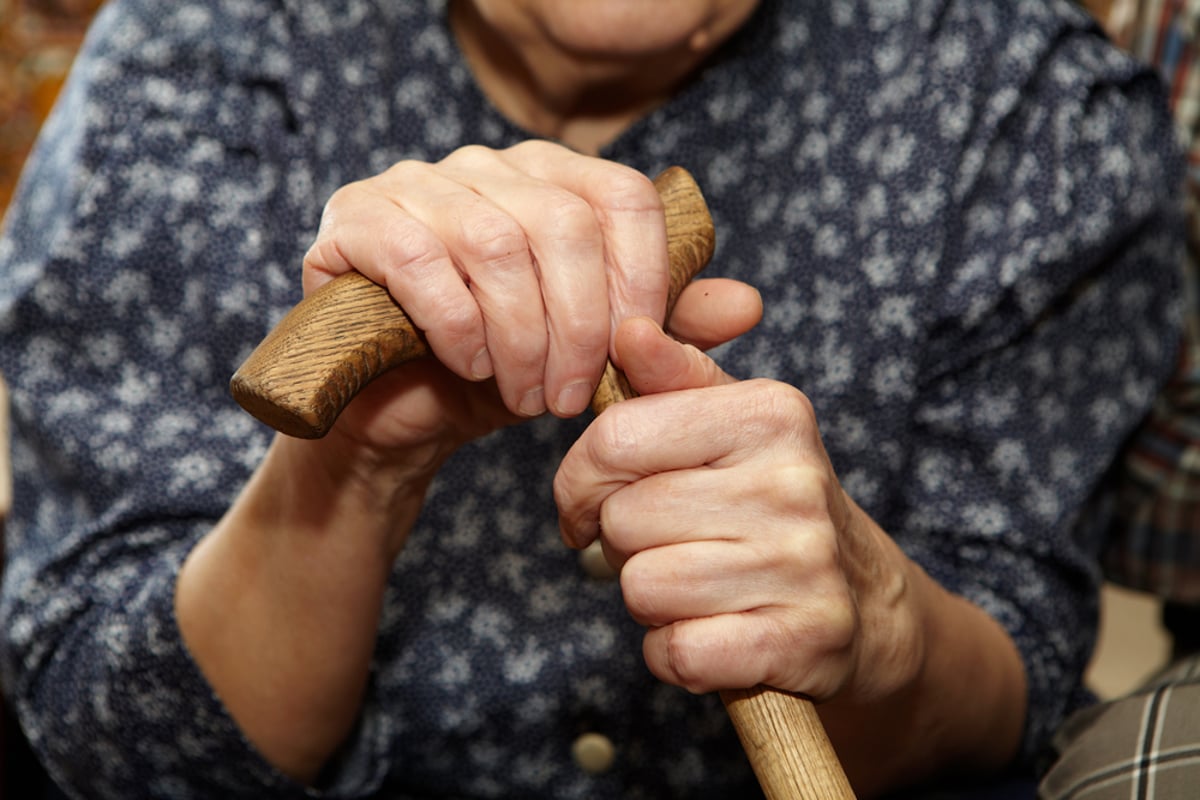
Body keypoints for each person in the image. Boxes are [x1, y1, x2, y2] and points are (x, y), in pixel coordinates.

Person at [0, 0, 1185, 797]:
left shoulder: (1019, 99)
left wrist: (881, 626)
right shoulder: (195, 55)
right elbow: (114, 741)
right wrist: (350, 470)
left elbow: (1009, 698)